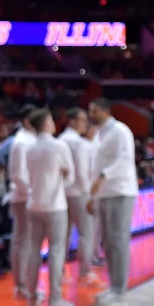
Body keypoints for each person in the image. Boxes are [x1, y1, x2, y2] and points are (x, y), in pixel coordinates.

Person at [87, 99, 139, 306]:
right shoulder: (98, 135)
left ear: (105, 111)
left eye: (94, 110)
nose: (91, 114)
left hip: (120, 191)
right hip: (104, 194)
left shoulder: (120, 131)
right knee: (107, 242)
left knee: (118, 241)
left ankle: (120, 290)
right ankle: (113, 285)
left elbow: (125, 159)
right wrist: (93, 195)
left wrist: (103, 176)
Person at [23, 110, 75, 306]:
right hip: (55, 205)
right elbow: (70, 177)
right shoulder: (59, 145)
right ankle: (55, 299)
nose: (54, 123)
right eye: (52, 119)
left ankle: (32, 296)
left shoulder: (30, 148)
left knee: (33, 250)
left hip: (34, 203)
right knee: (56, 251)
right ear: (46, 123)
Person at [59, 108, 103, 287]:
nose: (86, 123)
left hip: (62, 193)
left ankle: (60, 272)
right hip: (79, 192)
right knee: (86, 233)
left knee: (64, 234)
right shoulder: (80, 143)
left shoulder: (60, 140)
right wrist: (90, 196)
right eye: (83, 120)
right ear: (72, 121)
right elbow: (83, 172)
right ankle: (85, 272)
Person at [5, 105, 36, 297]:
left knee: (27, 241)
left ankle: (25, 284)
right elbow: (17, 175)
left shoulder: (30, 139)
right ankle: (21, 285)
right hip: (23, 196)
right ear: (26, 120)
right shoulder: (22, 142)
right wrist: (32, 192)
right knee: (22, 241)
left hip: (29, 195)